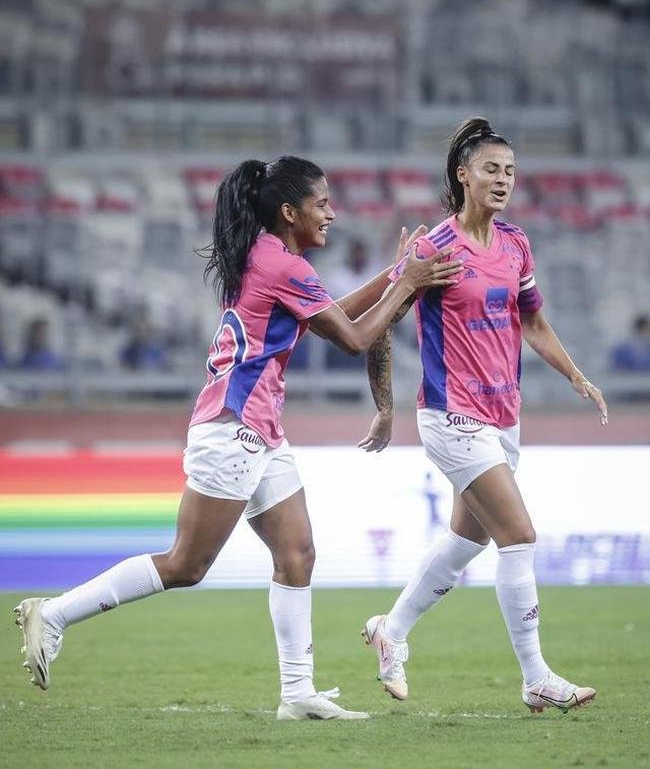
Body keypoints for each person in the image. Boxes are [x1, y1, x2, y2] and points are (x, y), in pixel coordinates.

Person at [14, 155, 461, 721]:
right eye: (322, 204)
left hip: (258, 429)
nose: (332, 213)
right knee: (185, 565)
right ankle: (52, 615)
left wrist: (398, 276)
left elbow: (333, 318)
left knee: (297, 554)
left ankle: (297, 695)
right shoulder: (284, 266)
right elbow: (353, 338)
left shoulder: (270, 256)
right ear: (289, 211)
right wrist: (410, 283)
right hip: (233, 429)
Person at [358, 119, 608, 714]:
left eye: (511, 171)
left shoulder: (517, 245)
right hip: (451, 416)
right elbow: (380, 324)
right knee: (518, 537)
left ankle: (390, 630)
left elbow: (534, 323)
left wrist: (575, 375)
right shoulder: (433, 248)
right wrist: (386, 408)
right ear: (463, 175)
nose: (503, 180)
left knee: (466, 541)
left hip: (503, 417)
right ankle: (536, 676)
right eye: (492, 169)